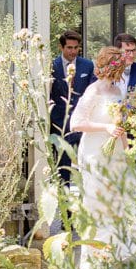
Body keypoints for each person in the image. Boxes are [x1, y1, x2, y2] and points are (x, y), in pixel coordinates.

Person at [69, 46, 136, 267]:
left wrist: (128, 152)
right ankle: (94, 258)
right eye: (120, 65)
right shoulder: (93, 91)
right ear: (111, 67)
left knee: (118, 199)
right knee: (98, 201)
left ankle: (116, 253)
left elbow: (122, 126)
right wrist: (105, 128)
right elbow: (76, 123)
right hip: (95, 152)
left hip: (115, 152)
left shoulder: (118, 92)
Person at [49, 31, 94, 185]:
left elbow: (93, 92)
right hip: (60, 126)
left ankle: (86, 205)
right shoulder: (52, 66)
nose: (73, 51)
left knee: (86, 168)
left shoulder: (87, 66)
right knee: (63, 171)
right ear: (61, 47)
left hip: (83, 126)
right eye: (69, 47)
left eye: (76, 48)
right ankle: (65, 208)